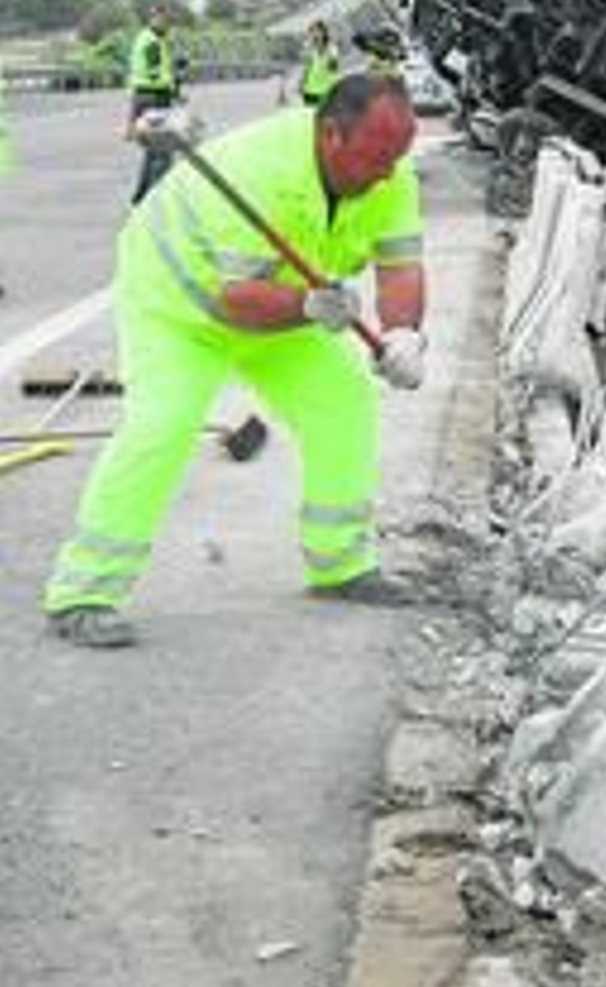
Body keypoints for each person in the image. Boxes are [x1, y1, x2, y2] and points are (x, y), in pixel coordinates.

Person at [43, 74, 429, 648]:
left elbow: (400, 266)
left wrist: (403, 333)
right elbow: (237, 302)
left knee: (344, 402)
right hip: (180, 307)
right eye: (376, 158)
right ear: (331, 135)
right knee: (161, 427)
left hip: (288, 301)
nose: (386, 175)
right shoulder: (261, 170)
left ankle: (340, 563)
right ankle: (83, 592)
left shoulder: (387, 176)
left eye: (395, 160)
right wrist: (308, 305)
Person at [126, 2, 182, 204]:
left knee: (153, 152)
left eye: (168, 21)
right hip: (154, 98)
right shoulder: (152, 42)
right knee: (162, 151)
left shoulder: (149, 39)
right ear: (154, 18)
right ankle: (155, 199)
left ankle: (141, 196)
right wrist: (172, 86)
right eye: (164, 20)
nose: (167, 25)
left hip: (146, 96)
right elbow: (155, 74)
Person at [298, 20, 340, 106]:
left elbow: (333, 68)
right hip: (310, 89)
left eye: (317, 31)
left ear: (323, 32)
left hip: (327, 88)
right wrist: (302, 83)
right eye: (312, 32)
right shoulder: (311, 50)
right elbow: (307, 69)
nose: (315, 34)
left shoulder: (331, 48)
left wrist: (331, 58)